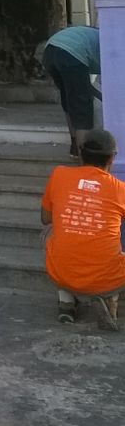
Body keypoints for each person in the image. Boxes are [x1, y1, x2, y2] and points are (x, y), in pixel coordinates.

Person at [41, 129, 125, 329]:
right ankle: (110, 299)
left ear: (80, 153)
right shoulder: (120, 189)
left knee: (49, 231)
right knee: (116, 239)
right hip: (107, 279)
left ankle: (66, 302)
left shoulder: (59, 175)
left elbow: (45, 218)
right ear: (111, 159)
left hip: (62, 273)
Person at [41, 25, 100, 157]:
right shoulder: (114, 48)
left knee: (69, 100)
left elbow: (90, 87)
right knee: (82, 106)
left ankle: (75, 146)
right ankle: (86, 158)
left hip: (50, 50)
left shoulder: (101, 38)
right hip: (71, 52)